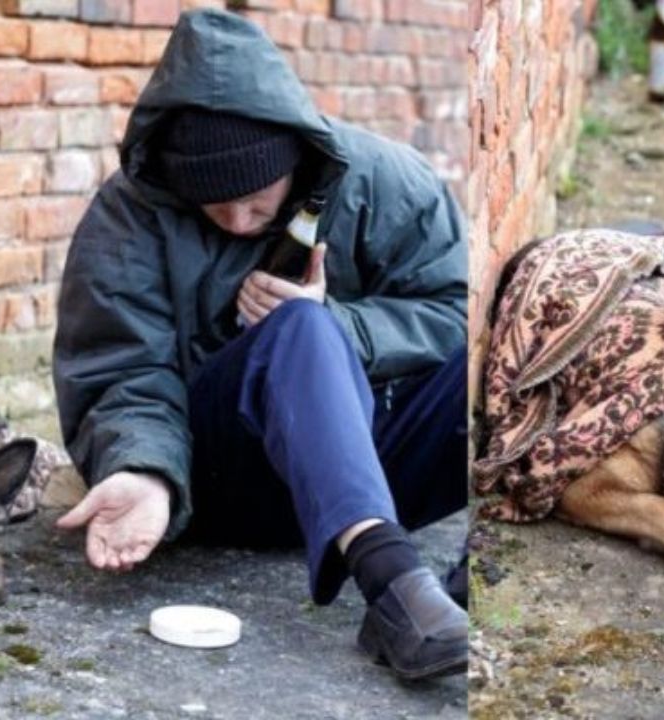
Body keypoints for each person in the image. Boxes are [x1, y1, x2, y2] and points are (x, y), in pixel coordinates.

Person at [51, 9, 469, 681]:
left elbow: (456, 311)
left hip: (367, 463)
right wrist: (146, 472)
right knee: (300, 330)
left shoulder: (387, 182)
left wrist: (348, 326)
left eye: (255, 200)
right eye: (215, 209)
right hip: (222, 476)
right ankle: (396, 590)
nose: (241, 221)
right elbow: (119, 369)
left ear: (294, 155)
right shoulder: (127, 216)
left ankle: (468, 587)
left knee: (497, 361)